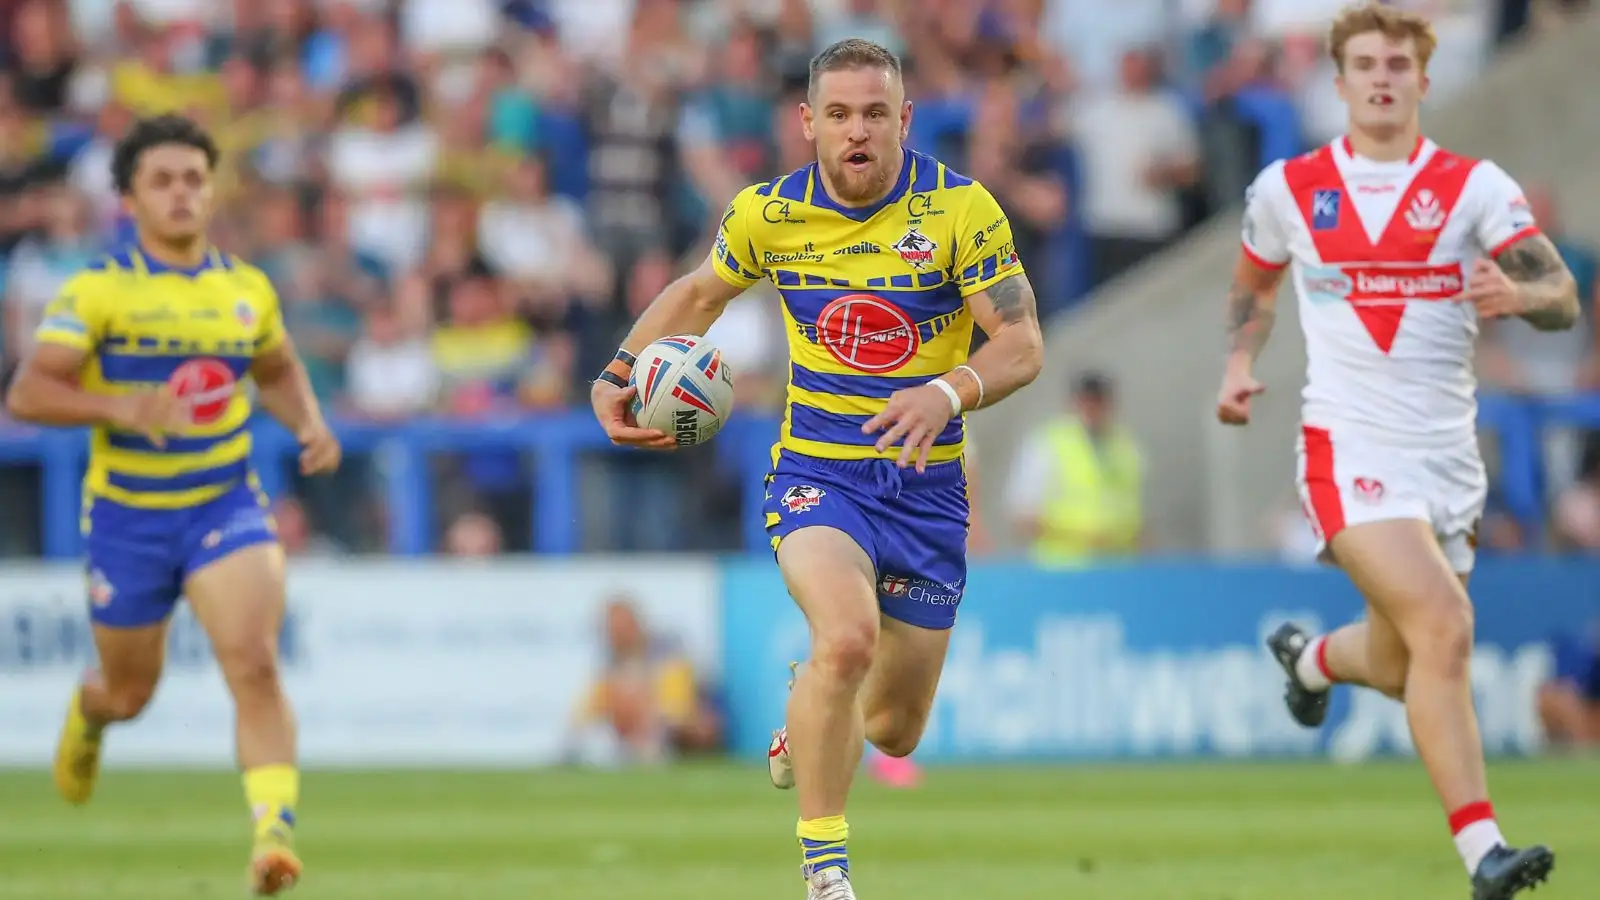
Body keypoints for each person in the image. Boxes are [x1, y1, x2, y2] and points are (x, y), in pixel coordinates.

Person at [589, 38, 1044, 900]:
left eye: (875, 113)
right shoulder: (768, 214)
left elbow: (1022, 344)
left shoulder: (960, 211)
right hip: (819, 479)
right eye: (838, 115)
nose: (857, 131)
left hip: (927, 492)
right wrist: (617, 374)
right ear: (808, 123)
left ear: (904, 119)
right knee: (845, 636)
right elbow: (696, 295)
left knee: (894, 728)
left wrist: (946, 393)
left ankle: (808, 711)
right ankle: (826, 869)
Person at [1212, 6, 1577, 899]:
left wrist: (1520, 293)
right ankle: (1482, 851)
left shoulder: (1472, 187)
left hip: (1447, 462)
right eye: (1365, 64)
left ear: (1423, 80)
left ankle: (1309, 661)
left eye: (1398, 65)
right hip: (1348, 449)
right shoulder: (1289, 188)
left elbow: (1562, 292)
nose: (1381, 78)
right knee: (1446, 629)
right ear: (1339, 83)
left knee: (1403, 655)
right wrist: (1236, 361)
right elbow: (1254, 282)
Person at [3, 115, 341, 896]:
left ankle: (273, 835)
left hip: (223, 502)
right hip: (129, 520)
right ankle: (90, 713)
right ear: (128, 198)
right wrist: (122, 406)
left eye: (194, 178)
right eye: (163, 180)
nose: (183, 194)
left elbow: (278, 367)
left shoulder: (244, 288)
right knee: (130, 693)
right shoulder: (99, 290)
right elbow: (28, 390)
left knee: (254, 663)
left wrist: (311, 423)